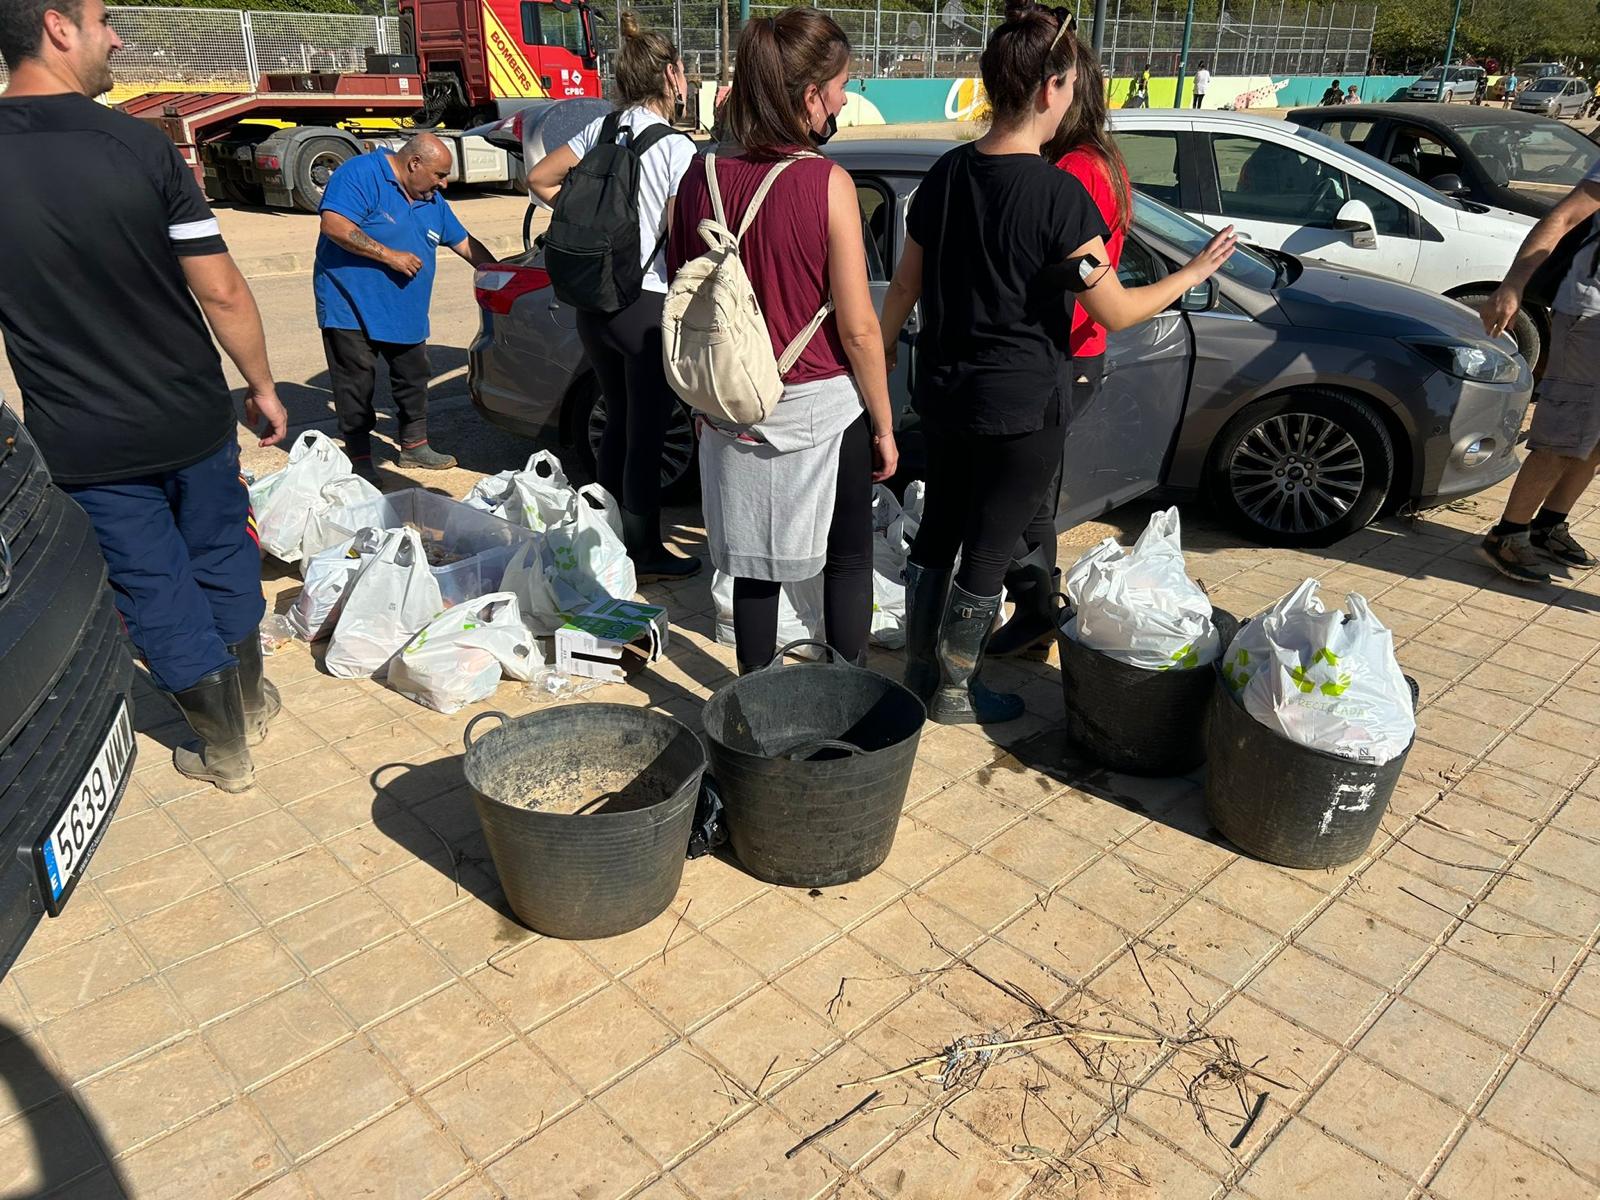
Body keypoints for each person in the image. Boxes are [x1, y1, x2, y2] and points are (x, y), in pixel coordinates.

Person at [878, 6, 1234, 724]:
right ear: (1052, 88)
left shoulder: (946, 172)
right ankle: (953, 689)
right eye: (1071, 83)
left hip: (943, 391)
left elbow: (907, 287)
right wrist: (1189, 274)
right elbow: (1117, 312)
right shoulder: (1059, 194)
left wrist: (878, 366)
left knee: (939, 528)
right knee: (987, 545)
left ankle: (919, 670)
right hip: (1020, 404)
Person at [0, 0, 290, 791]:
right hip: (191, 415)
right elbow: (222, 291)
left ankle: (224, 747)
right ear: (57, 27)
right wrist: (262, 386)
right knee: (222, 551)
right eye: (102, 20)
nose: (117, 36)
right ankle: (253, 697)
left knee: (149, 583)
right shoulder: (137, 145)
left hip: (84, 440)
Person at [666, 7, 897, 673]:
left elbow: (686, 296)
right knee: (847, 560)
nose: (845, 98)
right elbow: (857, 328)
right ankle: (844, 697)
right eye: (841, 85)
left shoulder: (696, 180)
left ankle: (757, 708)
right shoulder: (826, 182)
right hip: (823, 409)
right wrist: (883, 423)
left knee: (752, 569)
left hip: (731, 409)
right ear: (808, 98)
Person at [528, 11, 699, 581]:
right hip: (645, 303)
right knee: (646, 427)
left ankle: (601, 536)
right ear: (672, 75)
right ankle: (644, 549)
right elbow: (681, 237)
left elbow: (539, 180)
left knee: (617, 416)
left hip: (594, 303)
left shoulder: (596, 131)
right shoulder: (676, 149)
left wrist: (589, 228)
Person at [988, 39, 1132, 659]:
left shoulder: (1072, 171)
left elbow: (1063, 273)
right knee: (1032, 489)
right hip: (1074, 347)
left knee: (1028, 495)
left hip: (1065, 348)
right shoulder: (1096, 161)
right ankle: (1036, 604)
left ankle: (1036, 609)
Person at [314, 133, 495, 485]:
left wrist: (502, 274)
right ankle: (360, 457)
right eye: (439, 174)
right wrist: (389, 256)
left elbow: (465, 244)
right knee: (355, 383)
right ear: (414, 163)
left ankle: (414, 446)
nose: (443, 184)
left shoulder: (432, 200)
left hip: (404, 308)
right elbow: (334, 225)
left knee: (413, 377)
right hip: (349, 304)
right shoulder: (361, 174)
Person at [1478, 169, 1600, 583]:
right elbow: (1564, 218)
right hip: (1590, 317)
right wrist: (1512, 285)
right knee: (1565, 435)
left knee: (1597, 439)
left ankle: (1549, 524)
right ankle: (1508, 534)